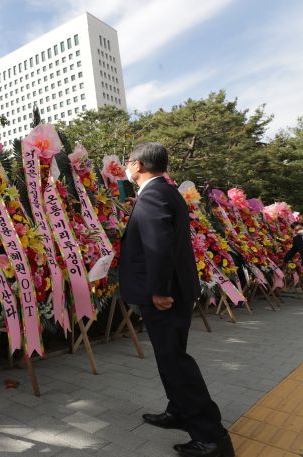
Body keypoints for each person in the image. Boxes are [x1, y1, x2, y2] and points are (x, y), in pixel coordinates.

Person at [119, 142, 234, 457]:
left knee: (175, 361)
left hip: (165, 295)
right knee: (170, 355)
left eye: (128, 162)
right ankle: (179, 411)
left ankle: (212, 436)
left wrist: (159, 290)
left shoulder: (154, 195)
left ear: (140, 165)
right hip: (175, 290)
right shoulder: (165, 192)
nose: (126, 167)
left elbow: (159, 245)